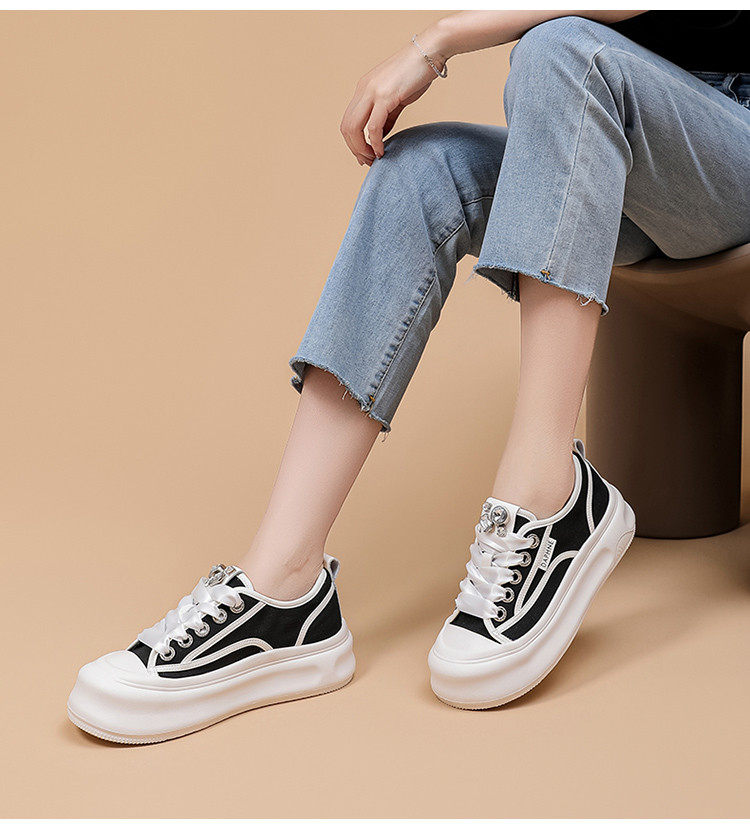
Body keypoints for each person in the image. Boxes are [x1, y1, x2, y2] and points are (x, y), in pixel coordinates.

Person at [67, 10, 750, 743]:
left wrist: (437, 42)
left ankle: (546, 492)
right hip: (639, 147)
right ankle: (283, 589)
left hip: (728, 145)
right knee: (423, 167)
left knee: (562, 52)